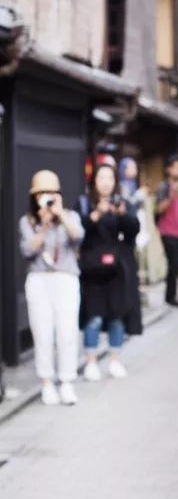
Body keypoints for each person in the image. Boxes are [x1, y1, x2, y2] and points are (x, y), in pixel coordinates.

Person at [19, 170, 84, 405]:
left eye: (51, 193)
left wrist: (60, 215)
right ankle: (46, 382)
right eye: (41, 194)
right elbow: (27, 250)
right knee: (42, 332)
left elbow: (78, 237)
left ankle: (67, 382)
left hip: (66, 278)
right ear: (34, 197)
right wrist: (44, 226)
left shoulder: (70, 216)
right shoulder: (28, 222)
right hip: (39, 280)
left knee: (67, 332)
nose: (46, 197)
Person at [77, 163, 142, 381]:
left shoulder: (123, 203)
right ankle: (91, 363)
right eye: (101, 177)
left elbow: (134, 229)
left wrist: (122, 214)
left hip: (117, 270)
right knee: (93, 317)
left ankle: (114, 360)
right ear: (94, 181)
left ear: (115, 181)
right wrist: (96, 214)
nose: (105, 182)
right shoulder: (85, 203)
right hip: (93, 270)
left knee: (117, 316)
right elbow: (78, 231)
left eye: (109, 178)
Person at [156, 154, 178, 308]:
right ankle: (170, 296)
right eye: (175, 166)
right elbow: (158, 209)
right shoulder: (164, 187)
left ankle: (172, 294)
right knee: (172, 264)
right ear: (168, 169)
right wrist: (171, 196)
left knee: (177, 265)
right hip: (167, 231)